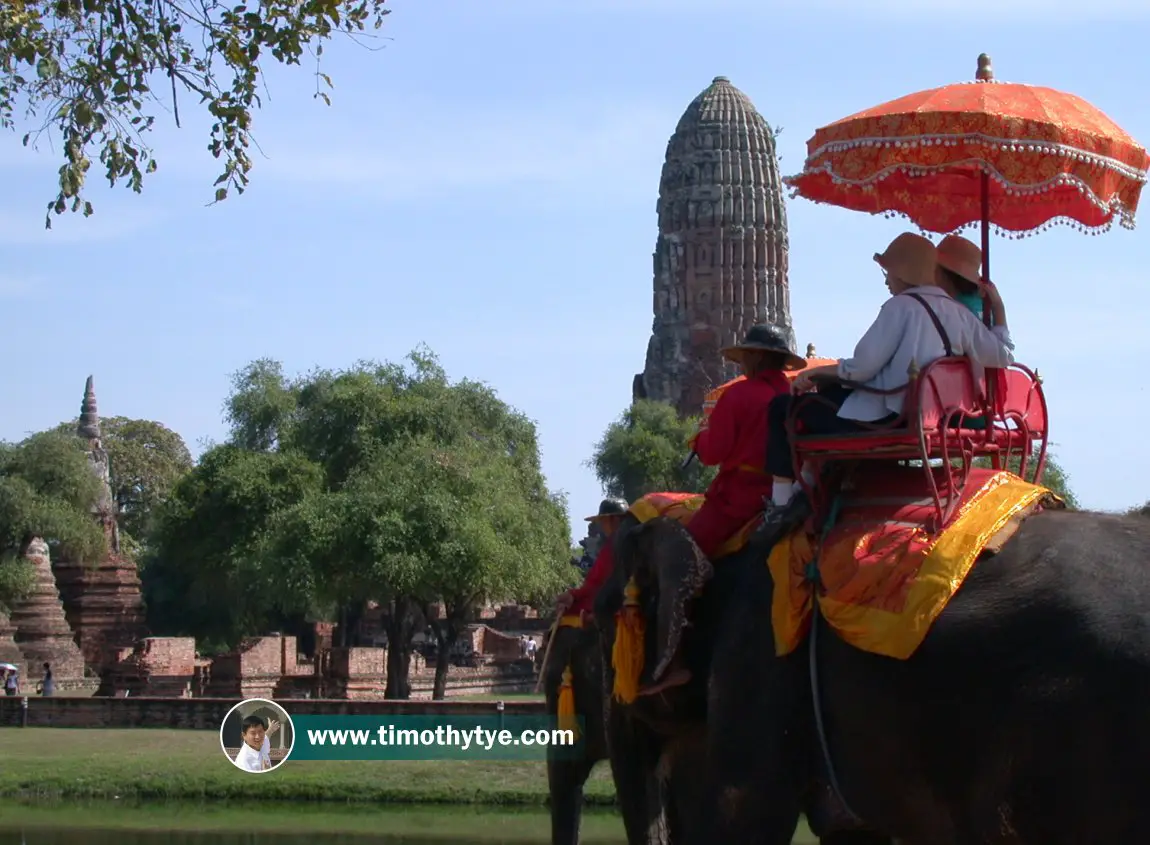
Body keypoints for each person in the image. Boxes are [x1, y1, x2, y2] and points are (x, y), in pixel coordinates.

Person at [760, 232, 1016, 535]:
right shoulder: (959, 313)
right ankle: (811, 486)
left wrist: (816, 373)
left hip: (891, 416)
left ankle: (781, 504)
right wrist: (998, 309)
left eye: (888, 272)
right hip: (938, 415)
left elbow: (861, 369)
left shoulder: (898, 308)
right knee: (830, 394)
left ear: (903, 272)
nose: (886, 281)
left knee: (783, 407)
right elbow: (1003, 355)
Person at [639, 323, 806, 696]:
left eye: (746, 354)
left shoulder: (740, 396)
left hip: (740, 499)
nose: (742, 361)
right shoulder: (795, 393)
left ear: (759, 357)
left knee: (679, 560)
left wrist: (699, 439)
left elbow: (714, 453)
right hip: (792, 494)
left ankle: (674, 660)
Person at [555, 499, 628, 619]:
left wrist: (573, 595)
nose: (602, 526)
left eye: (603, 521)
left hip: (613, 603)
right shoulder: (613, 544)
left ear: (615, 520)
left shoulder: (614, 546)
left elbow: (599, 584)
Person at [936, 234, 1008, 328]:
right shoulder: (982, 302)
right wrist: (998, 305)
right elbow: (1000, 339)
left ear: (944, 274)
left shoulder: (947, 306)